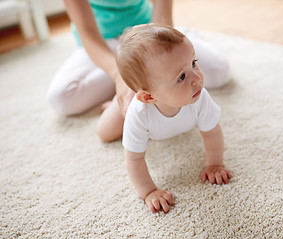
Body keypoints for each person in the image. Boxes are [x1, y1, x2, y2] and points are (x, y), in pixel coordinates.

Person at [46, 0, 230, 142]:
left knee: (220, 72)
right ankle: (135, 80)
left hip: (149, 33)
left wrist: (161, 58)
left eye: (193, 63)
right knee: (61, 98)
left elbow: (163, 17)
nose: (195, 78)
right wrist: (120, 74)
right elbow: (89, 34)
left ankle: (181, 44)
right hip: (102, 43)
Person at [116, 23, 232, 214]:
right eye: (181, 77)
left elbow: (212, 133)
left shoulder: (200, 96)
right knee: (106, 131)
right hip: (132, 108)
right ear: (149, 97)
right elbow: (134, 159)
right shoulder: (138, 114)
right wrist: (149, 192)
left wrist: (215, 164)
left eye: (193, 63)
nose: (197, 78)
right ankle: (113, 102)